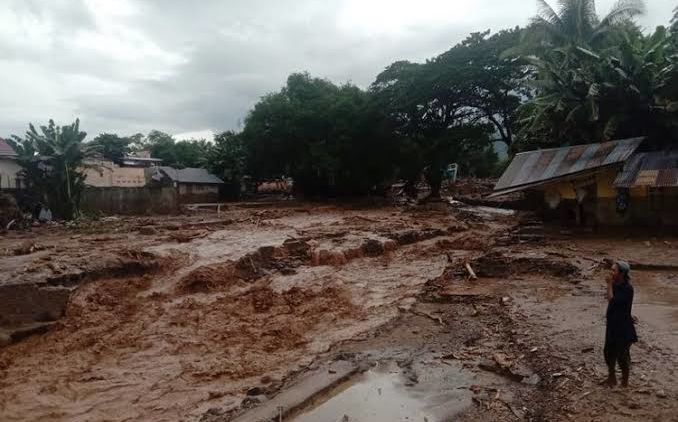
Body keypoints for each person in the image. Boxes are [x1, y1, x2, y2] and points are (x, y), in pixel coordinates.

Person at [603, 261, 638, 387]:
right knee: (608, 352)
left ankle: (625, 382)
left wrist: (609, 285)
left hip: (623, 327)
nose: (611, 273)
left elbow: (612, 300)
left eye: (614, 271)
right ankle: (611, 377)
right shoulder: (616, 285)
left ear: (622, 273)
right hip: (612, 325)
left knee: (622, 356)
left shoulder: (627, 288)